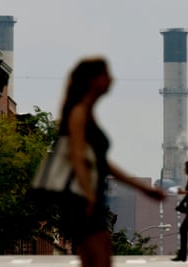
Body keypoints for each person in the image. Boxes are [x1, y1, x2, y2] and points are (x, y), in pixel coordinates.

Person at [58, 57, 166, 267]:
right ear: (93, 80)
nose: (111, 79)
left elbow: (102, 163)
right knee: (100, 261)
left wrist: (143, 188)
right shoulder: (79, 112)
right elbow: (78, 157)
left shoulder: (87, 112)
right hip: (84, 200)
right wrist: (88, 196)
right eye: (106, 74)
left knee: (95, 262)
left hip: (89, 199)